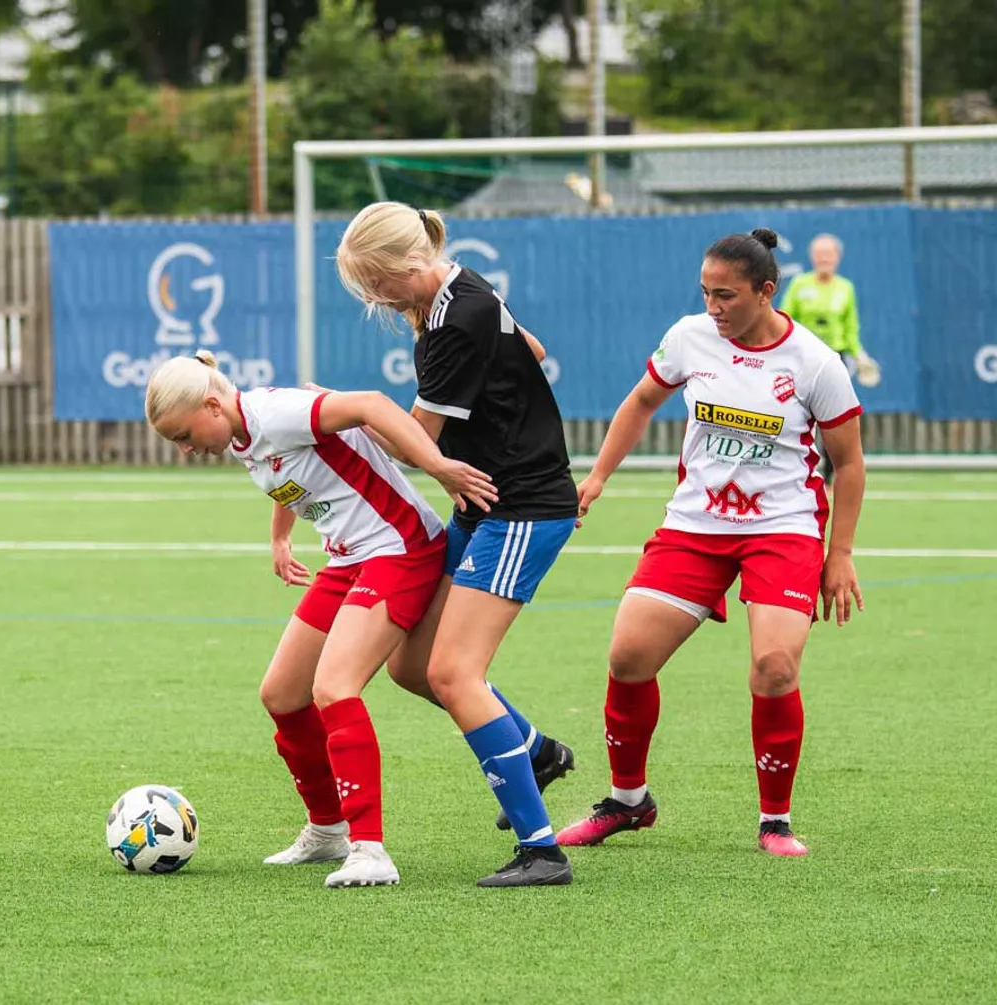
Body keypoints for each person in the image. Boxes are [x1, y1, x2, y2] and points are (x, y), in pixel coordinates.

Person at [559, 228, 867, 858]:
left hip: (783, 529)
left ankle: (775, 821)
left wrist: (839, 555)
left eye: (725, 295)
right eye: (705, 293)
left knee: (775, 667)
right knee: (628, 657)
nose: (713, 308)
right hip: (694, 526)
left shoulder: (814, 363)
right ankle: (627, 802)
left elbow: (851, 463)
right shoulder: (689, 337)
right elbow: (641, 401)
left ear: (765, 291)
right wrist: (595, 476)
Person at [144, 351, 498, 888]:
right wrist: (279, 537)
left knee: (335, 686)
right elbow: (291, 474)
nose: (186, 449)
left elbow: (372, 406)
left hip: (399, 548)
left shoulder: (274, 413)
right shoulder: (241, 434)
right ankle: (327, 828)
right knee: (282, 694)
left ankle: (370, 849)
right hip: (350, 557)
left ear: (212, 405)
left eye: (182, 435)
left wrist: (438, 466)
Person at [334, 201, 582, 887]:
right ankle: (533, 750)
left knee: (453, 673)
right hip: (487, 500)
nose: (374, 298)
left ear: (412, 265)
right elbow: (531, 351)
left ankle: (542, 850)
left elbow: (421, 439)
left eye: (377, 284)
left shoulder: (453, 318)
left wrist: (341, 427)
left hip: (519, 508)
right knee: (410, 666)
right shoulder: (461, 287)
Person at [779, 234, 879, 387]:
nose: (824, 259)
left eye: (829, 254)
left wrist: (860, 355)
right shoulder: (799, 284)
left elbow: (850, 327)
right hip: (805, 356)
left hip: (836, 357)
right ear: (812, 257)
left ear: (838, 257)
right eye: (819, 254)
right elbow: (784, 320)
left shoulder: (845, 288)